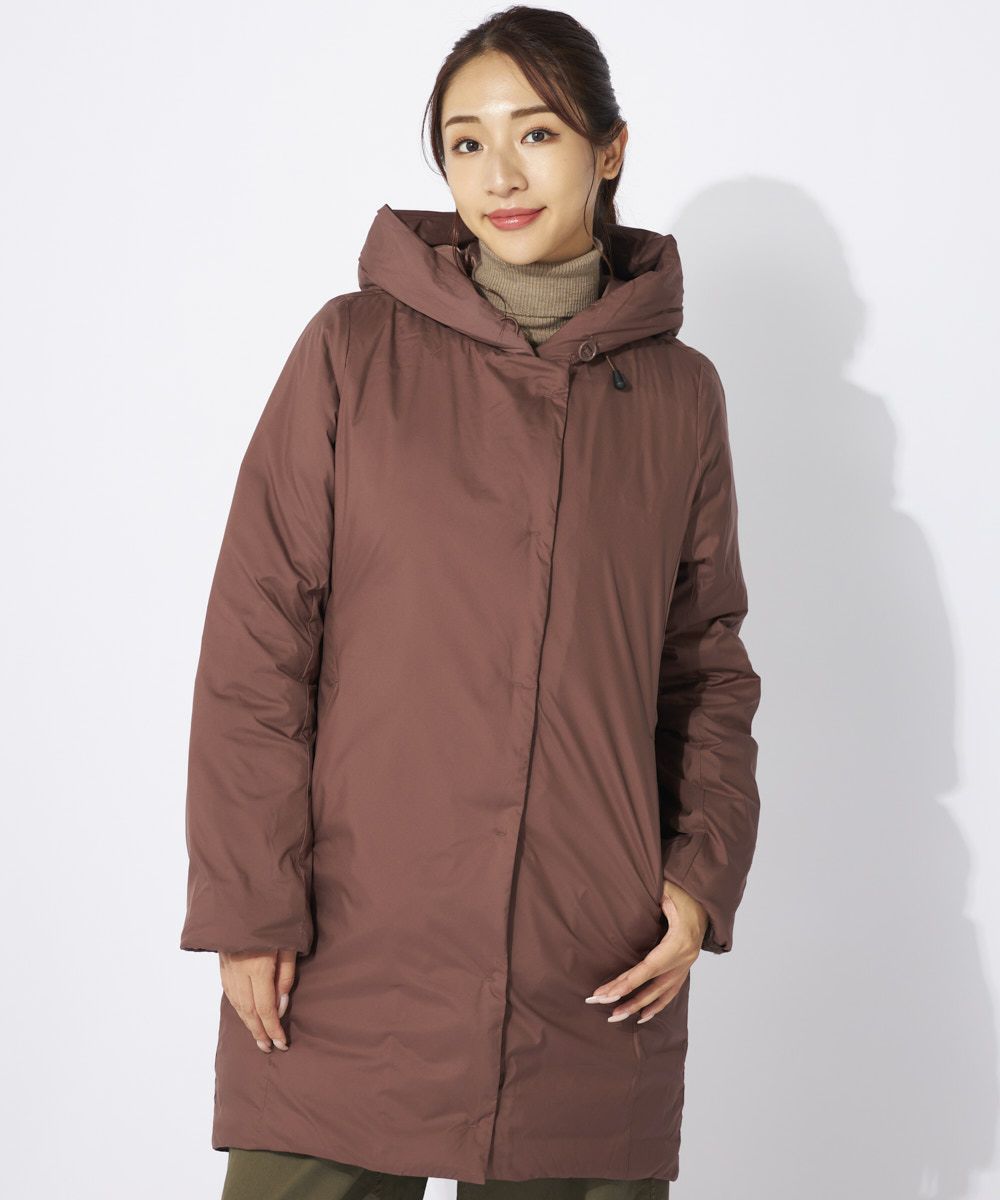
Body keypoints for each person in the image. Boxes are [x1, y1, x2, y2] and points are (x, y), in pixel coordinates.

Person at [180, 6, 762, 1199]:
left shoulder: (677, 395)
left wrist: (697, 882)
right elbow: (256, 643)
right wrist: (249, 904)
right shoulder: (351, 353)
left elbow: (702, 664)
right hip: (346, 955)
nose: (499, 173)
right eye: (464, 141)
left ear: (608, 149)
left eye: (535, 133)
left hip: (589, 965)